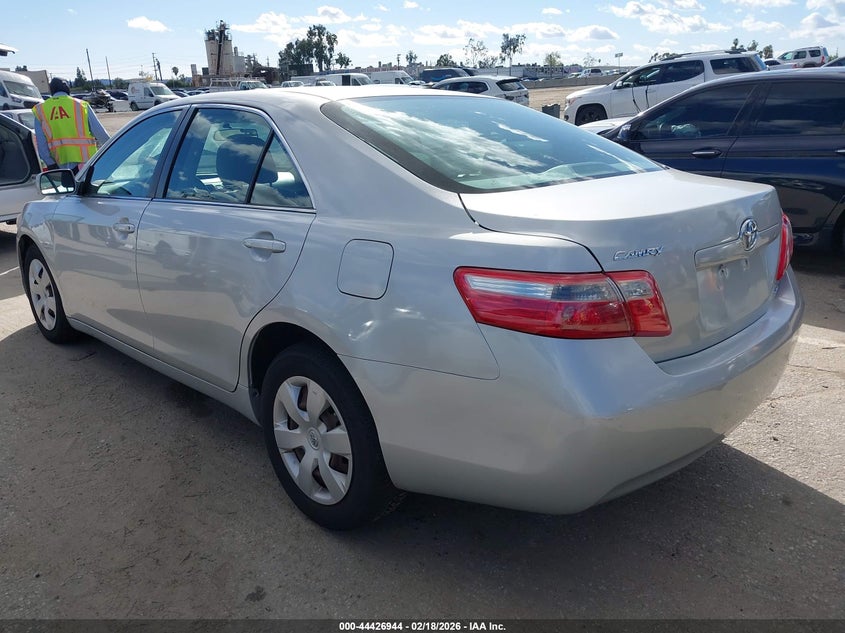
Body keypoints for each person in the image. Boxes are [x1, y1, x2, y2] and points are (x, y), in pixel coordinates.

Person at [31, 77, 110, 173]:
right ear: (67, 89)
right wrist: (114, 148)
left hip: (61, 165)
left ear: (52, 90)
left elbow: (41, 142)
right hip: (87, 164)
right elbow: (100, 133)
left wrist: (50, 163)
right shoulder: (81, 105)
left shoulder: (40, 110)